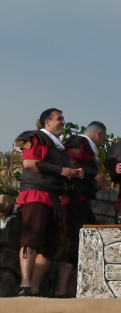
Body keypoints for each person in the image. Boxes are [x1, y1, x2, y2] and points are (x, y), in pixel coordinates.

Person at [14, 108, 82, 296]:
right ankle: (25, 284)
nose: (63, 122)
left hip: (53, 198)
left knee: (50, 245)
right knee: (31, 238)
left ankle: (34, 287)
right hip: (36, 193)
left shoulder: (59, 149)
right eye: (59, 119)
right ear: (47, 122)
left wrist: (72, 173)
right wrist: (61, 170)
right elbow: (29, 163)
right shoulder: (37, 138)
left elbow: (59, 172)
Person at [54, 121, 107, 298]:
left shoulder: (85, 148)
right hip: (73, 201)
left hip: (81, 202)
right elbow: (70, 163)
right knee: (71, 243)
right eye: (103, 138)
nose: (102, 142)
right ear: (99, 135)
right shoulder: (78, 143)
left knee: (82, 245)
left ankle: (72, 290)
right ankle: (62, 290)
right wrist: (95, 174)